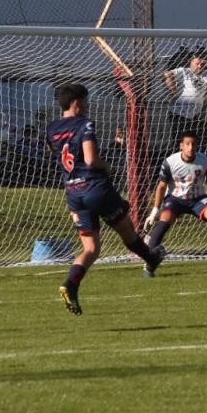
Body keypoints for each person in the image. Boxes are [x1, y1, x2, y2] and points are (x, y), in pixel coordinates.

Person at [46, 83, 166, 315]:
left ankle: (70, 284)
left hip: (73, 192)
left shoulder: (52, 127)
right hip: (95, 187)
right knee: (128, 232)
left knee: (90, 248)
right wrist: (107, 167)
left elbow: (52, 148)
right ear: (77, 104)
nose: (88, 107)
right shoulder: (85, 124)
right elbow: (90, 159)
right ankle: (151, 259)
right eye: (87, 102)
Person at [142, 130, 207, 271]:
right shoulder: (170, 162)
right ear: (181, 145)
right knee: (165, 219)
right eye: (187, 144)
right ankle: (149, 261)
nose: (190, 147)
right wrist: (155, 210)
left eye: (193, 144)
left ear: (197, 145)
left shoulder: (204, 160)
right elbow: (161, 186)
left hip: (197, 199)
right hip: (175, 199)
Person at [164, 54, 207, 142]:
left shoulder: (203, 77)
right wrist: (175, 93)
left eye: (202, 64)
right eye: (197, 63)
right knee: (181, 140)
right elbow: (167, 74)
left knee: (191, 140)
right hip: (179, 113)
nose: (199, 66)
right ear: (191, 63)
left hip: (193, 115)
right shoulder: (184, 71)